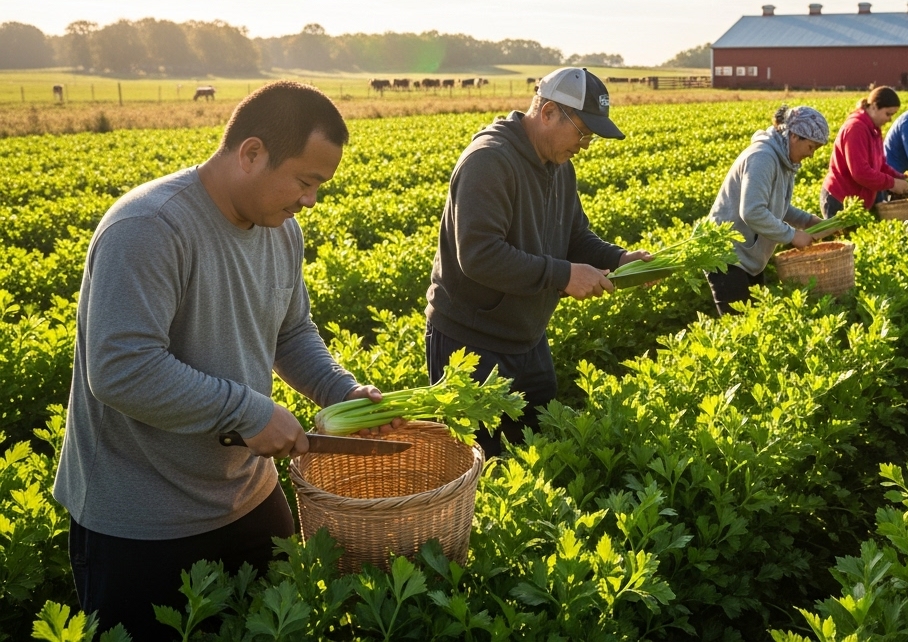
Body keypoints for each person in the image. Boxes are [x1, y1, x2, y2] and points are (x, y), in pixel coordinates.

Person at [54, 82, 401, 640]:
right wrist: (248, 411)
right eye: (305, 181)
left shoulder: (281, 232)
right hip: (143, 524)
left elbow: (291, 333)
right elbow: (121, 369)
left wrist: (341, 391)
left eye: (319, 186)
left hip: (249, 499)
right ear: (251, 153)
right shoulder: (149, 227)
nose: (310, 200)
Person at [425, 67, 651, 457]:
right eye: (583, 133)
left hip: (528, 340)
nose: (584, 146)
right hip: (471, 342)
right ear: (548, 113)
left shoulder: (560, 168)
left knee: (538, 450)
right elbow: (479, 255)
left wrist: (619, 259)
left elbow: (575, 237)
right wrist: (563, 275)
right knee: (478, 463)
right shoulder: (488, 161)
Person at [705, 105, 828, 314]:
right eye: (811, 147)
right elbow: (752, 211)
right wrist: (792, 235)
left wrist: (807, 221)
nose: (811, 155)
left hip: (748, 257)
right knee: (740, 325)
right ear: (794, 136)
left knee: (756, 322)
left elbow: (776, 206)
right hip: (727, 256)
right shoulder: (763, 157)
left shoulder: (784, 160)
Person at [820, 86, 908, 217]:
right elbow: (860, 172)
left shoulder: (874, 129)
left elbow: (880, 166)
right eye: (888, 114)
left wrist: (899, 177)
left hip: (858, 200)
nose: (890, 119)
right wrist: (892, 183)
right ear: (874, 106)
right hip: (840, 199)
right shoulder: (856, 128)